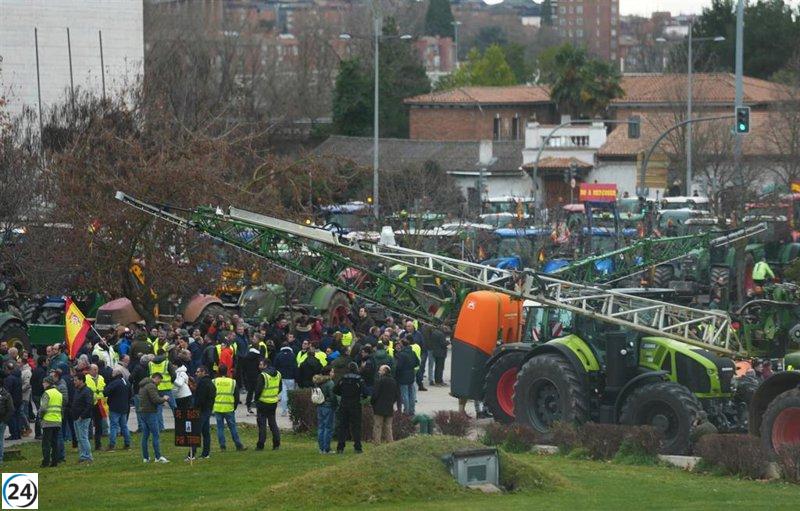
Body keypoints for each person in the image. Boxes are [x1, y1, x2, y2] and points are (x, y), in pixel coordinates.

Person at [333, 362, 365, 454]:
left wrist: (343, 394)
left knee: (342, 426)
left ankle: (340, 447)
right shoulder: (359, 380)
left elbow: (335, 390)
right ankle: (358, 447)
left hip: (344, 404)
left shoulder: (343, 379)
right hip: (355, 404)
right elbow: (366, 392)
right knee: (356, 427)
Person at [138, 372, 170, 463]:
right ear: (156, 378)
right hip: (150, 412)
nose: (160, 383)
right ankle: (158, 457)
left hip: (143, 412)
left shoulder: (143, 385)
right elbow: (156, 400)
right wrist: (164, 398)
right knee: (156, 435)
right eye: (160, 380)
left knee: (145, 435)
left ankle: (146, 457)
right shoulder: (151, 386)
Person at [213, 365, 246, 451]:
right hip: (229, 408)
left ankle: (222, 446)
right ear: (227, 371)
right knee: (233, 427)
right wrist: (234, 407)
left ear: (218, 372)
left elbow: (211, 394)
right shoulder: (232, 382)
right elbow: (236, 397)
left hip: (218, 407)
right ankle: (238, 445)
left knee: (220, 428)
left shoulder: (214, 381)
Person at [172, 350, 195, 461]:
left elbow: (179, 384)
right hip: (180, 397)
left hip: (184, 397)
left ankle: (190, 441)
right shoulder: (179, 372)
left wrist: (173, 380)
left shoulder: (180, 373)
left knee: (187, 419)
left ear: (175, 365)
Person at [254, 358, 281, 451]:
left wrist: (256, 400)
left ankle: (260, 444)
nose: (259, 366)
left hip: (263, 402)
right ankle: (276, 443)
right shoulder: (278, 374)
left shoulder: (263, 375)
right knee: (273, 423)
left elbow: (258, 390)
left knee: (262, 425)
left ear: (265, 365)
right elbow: (280, 387)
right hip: (273, 402)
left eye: (261, 364)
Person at [371, 364, 400, 445]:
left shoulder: (379, 381)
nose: (379, 372)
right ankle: (390, 443)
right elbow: (397, 395)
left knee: (377, 426)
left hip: (379, 407)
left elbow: (375, 395)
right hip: (389, 407)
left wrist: (372, 403)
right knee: (388, 427)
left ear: (384, 371)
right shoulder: (394, 381)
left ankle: (377, 443)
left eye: (380, 370)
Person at [103, 369, 131, 450]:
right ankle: (127, 443)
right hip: (124, 407)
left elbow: (105, 392)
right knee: (124, 426)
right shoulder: (126, 382)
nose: (111, 374)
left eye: (112, 373)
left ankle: (112, 444)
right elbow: (130, 394)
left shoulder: (115, 383)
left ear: (115, 374)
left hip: (115, 407)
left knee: (113, 426)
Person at [38, 376, 63, 467]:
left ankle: (45, 462)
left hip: (48, 421)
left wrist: (40, 417)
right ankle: (55, 461)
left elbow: (43, 408)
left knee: (46, 443)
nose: (42, 384)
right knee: (54, 442)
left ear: (48, 383)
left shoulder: (47, 393)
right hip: (57, 420)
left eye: (44, 382)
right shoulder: (59, 393)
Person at [148, 354, 176, 431]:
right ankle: (180, 424)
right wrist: (171, 382)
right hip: (166, 388)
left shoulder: (150, 363)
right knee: (174, 406)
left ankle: (160, 427)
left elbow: (149, 374)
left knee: (158, 409)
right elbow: (173, 374)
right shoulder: (167, 363)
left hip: (155, 388)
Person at [193, 366, 215, 459]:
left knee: (195, 432)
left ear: (203, 372)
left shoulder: (202, 383)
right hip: (208, 410)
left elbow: (200, 398)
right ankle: (206, 453)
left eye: (198, 372)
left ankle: (192, 454)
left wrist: (195, 407)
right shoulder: (211, 382)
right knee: (206, 433)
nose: (196, 373)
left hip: (201, 410)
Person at [71, 374, 94, 463]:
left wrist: (82, 416)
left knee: (83, 437)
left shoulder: (87, 391)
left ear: (81, 380)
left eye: (76, 380)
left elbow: (89, 405)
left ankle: (88, 456)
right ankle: (83, 456)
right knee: (79, 438)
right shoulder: (77, 390)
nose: (74, 382)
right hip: (76, 417)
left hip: (83, 418)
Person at [312, 371, 336, 454]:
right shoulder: (330, 383)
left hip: (320, 406)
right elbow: (333, 396)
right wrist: (335, 405)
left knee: (321, 427)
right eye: (332, 371)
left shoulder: (318, 382)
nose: (333, 373)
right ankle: (327, 448)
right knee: (328, 428)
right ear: (329, 373)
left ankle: (321, 448)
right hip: (328, 406)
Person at [394, 339, 418, 416]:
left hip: (403, 376)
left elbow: (399, 366)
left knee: (405, 395)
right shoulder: (413, 352)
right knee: (411, 394)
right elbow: (418, 362)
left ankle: (406, 411)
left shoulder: (401, 354)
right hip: (411, 375)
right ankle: (412, 410)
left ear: (403, 345)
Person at [85, 364, 106, 451]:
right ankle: (87, 445)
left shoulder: (101, 377)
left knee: (99, 424)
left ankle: (98, 444)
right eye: (94, 369)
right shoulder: (86, 378)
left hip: (100, 403)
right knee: (88, 424)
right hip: (90, 403)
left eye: (96, 369)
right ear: (89, 370)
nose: (96, 371)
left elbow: (103, 388)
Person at [273, 342, 297, 416]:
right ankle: (291, 410)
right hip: (291, 378)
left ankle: (284, 411)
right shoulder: (293, 355)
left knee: (283, 394)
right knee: (290, 394)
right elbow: (295, 367)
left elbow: (275, 366)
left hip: (282, 378)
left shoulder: (278, 355)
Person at [3, 361, 22, 440]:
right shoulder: (18, 377)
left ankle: (14, 434)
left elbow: (7, 391)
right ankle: (18, 434)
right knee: (17, 417)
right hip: (18, 399)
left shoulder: (9, 378)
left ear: (7, 369)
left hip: (12, 400)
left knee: (11, 417)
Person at [243, 343, 262, 414]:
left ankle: (248, 407)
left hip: (248, 376)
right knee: (258, 392)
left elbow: (244, 367)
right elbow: (260, 367)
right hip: (257, 376)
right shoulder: (258, 356)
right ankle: (257, 407)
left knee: (250, 392)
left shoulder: (246, 356)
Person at [0, 383, 14, 464]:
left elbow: (11, 409)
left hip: (1, 421)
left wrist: (4, 421)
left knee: (0, 440)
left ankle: (0, 459)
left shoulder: (6, 395)